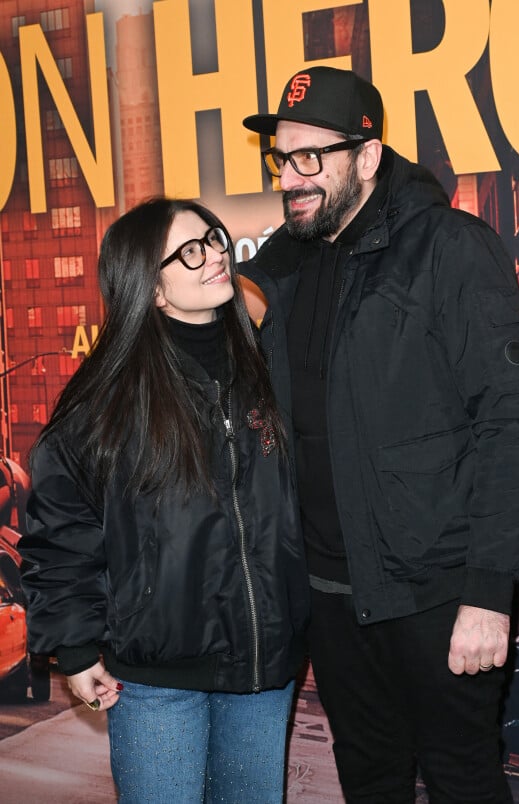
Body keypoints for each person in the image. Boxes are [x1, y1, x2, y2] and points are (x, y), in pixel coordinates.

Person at [241, 67, 519, 803]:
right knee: (369, 779)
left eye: (313, 156)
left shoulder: (449, 248)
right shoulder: (278, 268)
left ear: (369, 157)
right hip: (330, 600)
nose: (293, 177)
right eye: (283, 159)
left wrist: (487, 592)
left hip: (438, 595)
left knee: (462, 778)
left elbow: (514, 425)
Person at [18, 198, 310, 804]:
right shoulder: (106, 402)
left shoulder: (267, 368)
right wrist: (72, 647)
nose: (215, 257)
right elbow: (61, 535)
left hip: (262, 668)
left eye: (216, 239)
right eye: (191, 250)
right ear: (150, 289)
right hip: (154, 680)